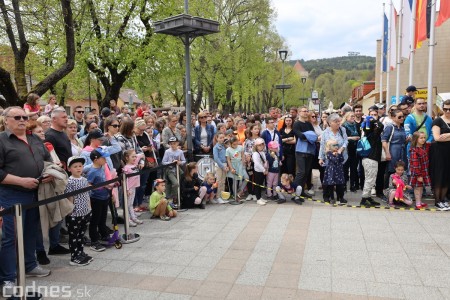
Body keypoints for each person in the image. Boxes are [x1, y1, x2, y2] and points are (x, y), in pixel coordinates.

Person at [0, 107, 52, 296]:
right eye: (17, 117)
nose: (22, 120)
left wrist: (48, 174)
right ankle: (7, 278)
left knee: (31, 232)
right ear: (6, 120)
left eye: (24, 116)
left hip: (36, 194)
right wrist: (21, 181)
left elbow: (47, 160)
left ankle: (30, 265)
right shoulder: (2, 140)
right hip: (12, 195)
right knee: (10, 238)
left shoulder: (35, 138)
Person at [65, 156, 93, 266]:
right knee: (74, 236)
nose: (78, 168)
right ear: (69, 169)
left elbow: (87, 195)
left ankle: (81, 252)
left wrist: (89, 208)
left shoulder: (84, 180)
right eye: (75, 166)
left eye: (80, 166)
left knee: (81, 235)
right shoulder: (69, 182)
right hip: (74, 213)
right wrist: (70, 211)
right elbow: (70, 198)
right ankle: (74, 256)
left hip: (85, 211)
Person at [86, 148, 112, 252]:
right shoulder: (92, 171)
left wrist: (108, 186)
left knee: (103, 218)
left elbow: (104, 180)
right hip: (96, 198)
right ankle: (94, 240)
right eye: (103, 157)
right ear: (96, 159)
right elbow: (89, 184)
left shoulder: (101, 167)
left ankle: (104, 234)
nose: (105, 159)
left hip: (104, 196)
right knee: (95, 220)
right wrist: (102, 186)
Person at [318, 114, 348, 197]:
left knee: (340, 178)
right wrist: (321, 158)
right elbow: (322, 145)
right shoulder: (325, 132)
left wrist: (341, 149)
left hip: (341, 157)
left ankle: (340, 197)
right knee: (329, 178)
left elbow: (346, 141)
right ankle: (329, 196)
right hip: (329, 159)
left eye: (339, 121)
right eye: (336, 122)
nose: (338, 123)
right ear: (330, 123)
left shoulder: (342, 130)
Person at [360, 109, 384, 207]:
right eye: (371, 115)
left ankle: (368, 197)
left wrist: (371, 120)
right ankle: (364, 198)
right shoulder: (369, 131)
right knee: (370, 179)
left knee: (371, 179)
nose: (373, 117)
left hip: (372, 158)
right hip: (370, 158)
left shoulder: (373, 131)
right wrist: (372, 120)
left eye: (375, 115)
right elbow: (381, 126)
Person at [293, 106, 317, 198]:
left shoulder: (309, 124)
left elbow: (314, 136)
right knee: (301, 172)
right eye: (304, 111)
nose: (306, 113)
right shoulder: (296, 124)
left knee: (306, 173)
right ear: (299, 112)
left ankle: (301, 191)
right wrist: (308, 136)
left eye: (307, 111)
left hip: (310, 151)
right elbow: (300, 136)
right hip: (300, 151)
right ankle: (295, 191)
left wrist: (307, 136)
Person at [430, 99, 450, 210]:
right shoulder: (438, 121)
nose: (447, 111)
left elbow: (443, 137)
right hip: (439, 152)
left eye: (449, 109)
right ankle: (437, 201)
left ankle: (443, 199)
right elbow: (437, 138)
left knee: (447, 176)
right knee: (439, 176)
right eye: (445, 109)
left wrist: (447, 135)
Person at [382, 109, 407, 191]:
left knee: (400, 171)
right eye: (399, 117)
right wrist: (387, 153)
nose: (402, 118)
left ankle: (399, 190)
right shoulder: (390, 127)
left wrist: (407, 140)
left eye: (403, 116)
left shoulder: (402, 128)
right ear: (393, 117)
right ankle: (387, 190)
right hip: (393, 150)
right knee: (391, 171)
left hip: (402, 151)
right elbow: (384, 141)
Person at [122, 149, 144, 226]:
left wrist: (137, 155)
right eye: (132, 157)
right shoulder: (126, 168)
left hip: (133, 187)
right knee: (127, 205)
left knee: (131, 204)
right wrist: (127, 189)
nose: (135, 158)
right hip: (129, 189)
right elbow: (125, 180)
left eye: (135, 156)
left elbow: (139, 156)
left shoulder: (134, 164)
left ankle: (133, 217)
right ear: (127, 158)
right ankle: (128, 220)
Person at [409, 132, 431, 209]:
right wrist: (418, 175)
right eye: (421, 138)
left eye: (424, 137)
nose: (423, 139)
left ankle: (420, 201)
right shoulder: (414, 150)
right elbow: (415, 164)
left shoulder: (424, 148)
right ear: (416, 139)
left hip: (423, 171)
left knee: (421, 187)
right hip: (418, 172)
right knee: (417, 188)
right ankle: (417, 202)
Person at [162, 137, 186, 205]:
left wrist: (179, 162)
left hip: (177, 170)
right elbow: (163, 162)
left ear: (177, 143)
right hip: (170, 170)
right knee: (175, 183)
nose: (173, 145)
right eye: (171, 144)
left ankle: (174, 198)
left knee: (175, 184)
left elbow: (184, 160)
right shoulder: (167, 151)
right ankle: (173, 197)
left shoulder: (180, 151)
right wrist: (171, 163)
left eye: (174, 143)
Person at [321, 139, 346, 204]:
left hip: (339, 171)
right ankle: (331, 198)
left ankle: (340, 197)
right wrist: (337, 154)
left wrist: (339, 154)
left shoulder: (338, 152)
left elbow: (342, 159)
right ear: (329, 147)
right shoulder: (329, 153)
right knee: (330, 185)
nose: (336, 147)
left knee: (340, 185)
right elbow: (335, 160)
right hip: (331, 172)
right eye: (334, 145)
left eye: (337, 145)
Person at [341, 111, 360, 192]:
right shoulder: (343, 126)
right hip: (346, 149)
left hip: (355, 149)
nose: (353, 117)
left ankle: (352, 186)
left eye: (354, 116)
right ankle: (344, 185)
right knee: (345, 169)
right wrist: (352, 138)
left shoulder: (356, 125)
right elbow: (342, 138)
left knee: (354, 169)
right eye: (351, 116)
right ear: (347, 117)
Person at [213, 133, 229, 203]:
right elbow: (216, 158)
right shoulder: (216, 147)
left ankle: (222, 196)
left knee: (223, 181)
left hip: (225, 164)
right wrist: (222, 166)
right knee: (219, 181)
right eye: (220, 138)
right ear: (217, 138)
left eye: (223, 137)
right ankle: (218, 196)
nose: (222, 139)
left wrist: (227, 165)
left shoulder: (224, 146)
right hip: (219, 165)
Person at [251, 138, 268, 206]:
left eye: (262, 145)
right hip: (258, 171)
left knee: (261, 184)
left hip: (263, 171)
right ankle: (258, 199)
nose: (261, 146)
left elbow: (264, 161)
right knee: (257, 185)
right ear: (256, 146)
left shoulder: (262, 152)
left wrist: (265, 169)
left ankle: (260, 197)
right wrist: (264, 170)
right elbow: (257, 164)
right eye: (259, 145)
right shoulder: (255, 154)